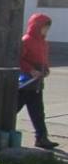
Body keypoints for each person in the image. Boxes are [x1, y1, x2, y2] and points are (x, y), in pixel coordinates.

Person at [18, 13, 57, 149]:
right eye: (44, 27)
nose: (46, 30)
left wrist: (46, 69)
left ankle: (41, 138)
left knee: (38, 113)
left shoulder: (44, 43)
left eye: (47, 28)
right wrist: (30, 70)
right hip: (25, 83)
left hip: (37, 84)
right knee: (11, 110)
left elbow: (44, 59)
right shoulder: (26, 40)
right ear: (36, 26)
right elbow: (18, 59)